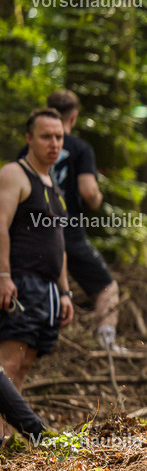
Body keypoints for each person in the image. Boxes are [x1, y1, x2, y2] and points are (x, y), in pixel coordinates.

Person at [20, 92, 124, 353]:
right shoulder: (80, 148)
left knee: (36, 284)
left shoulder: (27, 150)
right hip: (68, 230)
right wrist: (98, 198)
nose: (54, 144)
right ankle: (107, 345)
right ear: (74, 117)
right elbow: (89, 192)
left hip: (29, 232)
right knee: (106, 286)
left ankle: (32, 342)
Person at [0, 109, 74, 440]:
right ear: (29, 138)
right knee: (9, 361)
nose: (54, 143)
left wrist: (65, 292)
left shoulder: (53, 185)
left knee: (25, 362)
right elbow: (0, 224)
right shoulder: (14, 174)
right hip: (19, 281)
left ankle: (6, 439)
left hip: (47, 289)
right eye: (46, 136)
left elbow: (59, 245)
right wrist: (3, 275)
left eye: (58, 137)